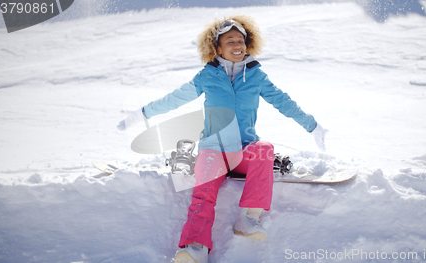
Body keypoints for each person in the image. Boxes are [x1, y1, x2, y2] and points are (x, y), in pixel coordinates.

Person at [117, 15, 328, 263]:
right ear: (217, 48)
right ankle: (195, 247)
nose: (238, 45)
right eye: (230, 41)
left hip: (244, 150)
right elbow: (174, 98)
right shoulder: (208, 76)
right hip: (213, 151)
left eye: (241, 40)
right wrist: (142, 114)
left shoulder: (256, 76)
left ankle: (248, 220)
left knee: (265, 149)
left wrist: (312, 126)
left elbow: (284, 102)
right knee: (203, 194)